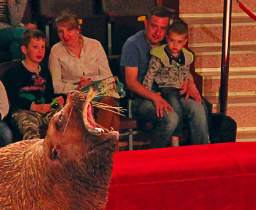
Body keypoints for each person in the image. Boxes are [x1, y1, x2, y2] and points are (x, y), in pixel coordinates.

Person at [120, 6, 180, 149]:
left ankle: (200, 158)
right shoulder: (132, 44)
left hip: (168, 93)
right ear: (146, 24)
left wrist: (190, 83)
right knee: (171, 118)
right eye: (154, 26)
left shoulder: (169, 43)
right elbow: (131, 83)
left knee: (198, 109)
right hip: (141, 99)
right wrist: (155, 97)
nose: (158, 32)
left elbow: (181, 66)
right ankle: (154, 160)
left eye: (163, 28)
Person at [48, 13, 120, 132]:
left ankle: (97, 143)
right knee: (112, 114)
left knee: (108, 102)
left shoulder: (95, 45)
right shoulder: (56, 51)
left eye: (69, 30)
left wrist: (91, 82)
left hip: (97, 92)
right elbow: (57, 86)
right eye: (61, 31)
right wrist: (77, 87)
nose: (65, 35)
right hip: (76, 97)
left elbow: (108, 76)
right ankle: (102, 144)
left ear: (78, 29)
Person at [141, 19, 209, 145]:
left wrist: (188, 81)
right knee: (174, 106)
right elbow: (150, 75)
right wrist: (150, 93)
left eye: (179, 42)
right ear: (167, 38)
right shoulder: (160, 55)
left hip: (180, 87)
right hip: (166, 87)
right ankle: (175, 138)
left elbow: (185, 71)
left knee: (201, 106)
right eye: (172, 41)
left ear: (185, 42)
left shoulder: (186, 56)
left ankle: (203, 146)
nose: (175, 45)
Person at [4, 29, 63, 140]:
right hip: (24, 112)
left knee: (66, 117)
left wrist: (56, 101)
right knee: (30, 130)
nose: (40, 51)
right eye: (35, 47)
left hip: (44, 111)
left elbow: (49, 96)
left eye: (43, 47)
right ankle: (35, 156)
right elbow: (13, 99)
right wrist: (34, 107)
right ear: (24, 49)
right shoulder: (14, 72)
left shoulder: (45, 72)